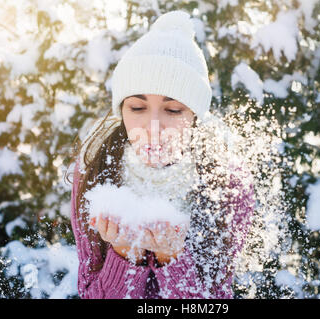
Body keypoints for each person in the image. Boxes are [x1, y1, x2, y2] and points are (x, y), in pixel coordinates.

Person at [67, 10, 256, 299]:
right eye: (137, 108)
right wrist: (125, 255)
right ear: (122, 112)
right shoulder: (94, 172)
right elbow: (89, 293)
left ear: (194, 115)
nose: (153, 127)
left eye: (173, 110)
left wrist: (172, 258)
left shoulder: (227, 185)